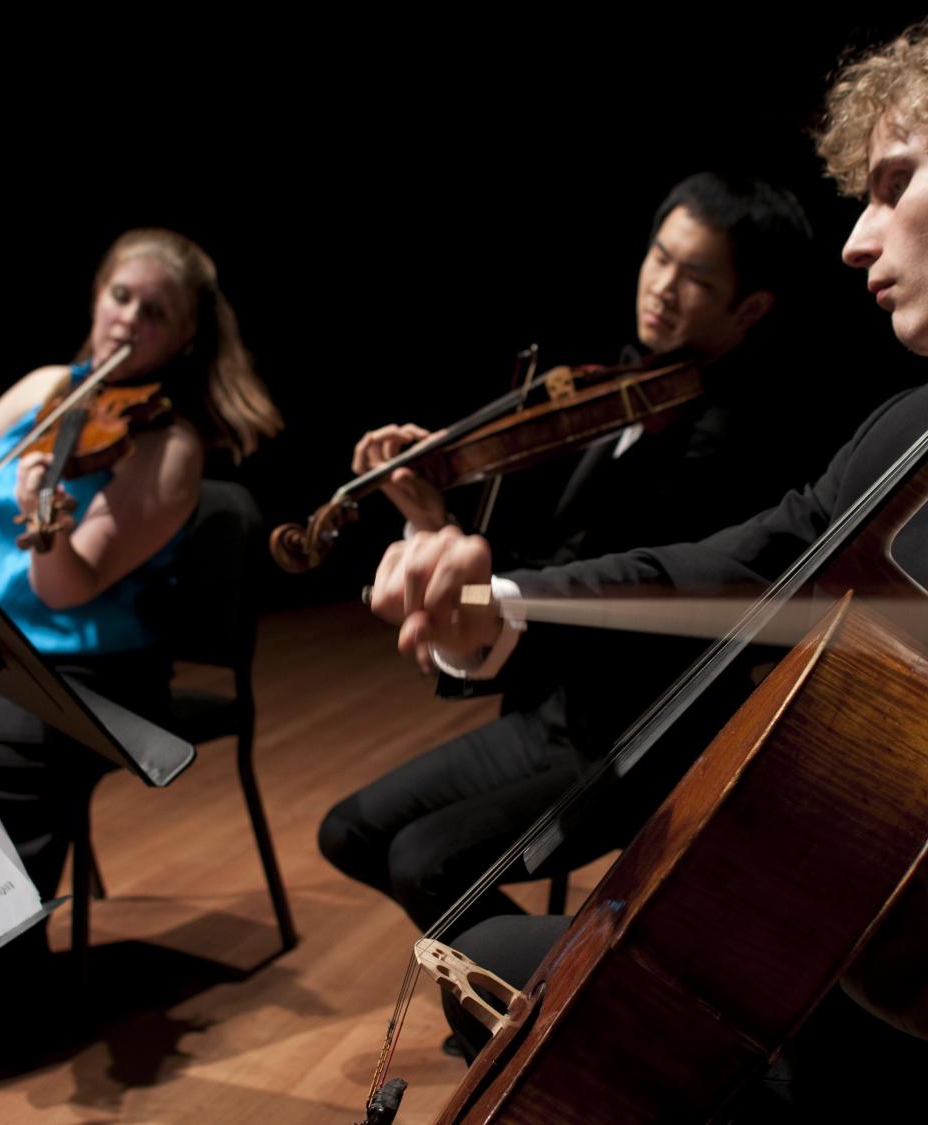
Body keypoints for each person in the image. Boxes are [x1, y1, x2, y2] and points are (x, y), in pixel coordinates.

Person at [367, 2, 928, 1109]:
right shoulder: (916, 431)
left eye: (892, 185)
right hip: (846, 961)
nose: (855, 241)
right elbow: (742, 564)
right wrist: (498, 606)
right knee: (501, 962)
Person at [318, 174, 819, 936]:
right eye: (659, 258)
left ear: (748, 309)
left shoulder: (735, 443)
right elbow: (547, 560)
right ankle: (509, 1008)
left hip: (644, 735)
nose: (662, 288)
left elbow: (599, 606)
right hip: (559, 713)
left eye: (697, 277)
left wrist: (482, 605)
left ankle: (539, 1019)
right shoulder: (622, 396)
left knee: (428, 861)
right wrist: (433, 519)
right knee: (348, 830)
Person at [0, 229, 281, 1059]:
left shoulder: (170, 448)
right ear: (97, 298)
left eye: (155, 312)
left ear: (185, 337)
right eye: (119, 297)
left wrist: (42, 523)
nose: (128, 320)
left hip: (85, 670)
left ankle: (1, 992)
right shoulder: (44, 386)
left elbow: (65, 588)